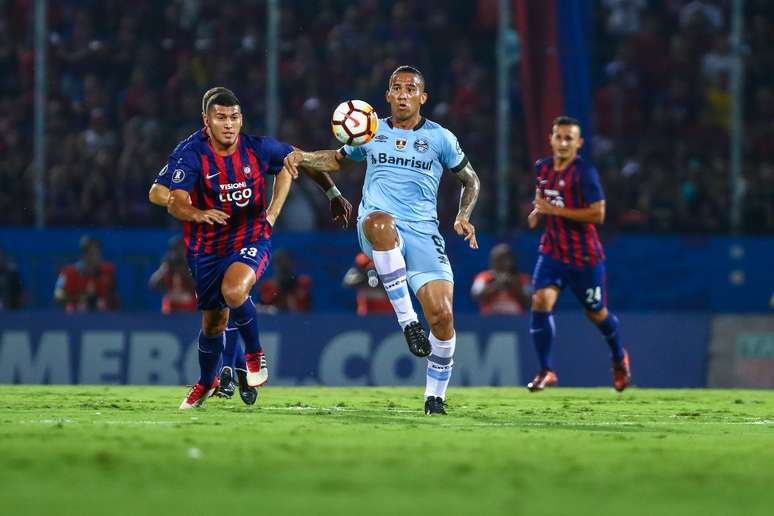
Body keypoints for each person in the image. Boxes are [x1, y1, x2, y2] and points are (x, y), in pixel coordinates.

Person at [283, 65, 481, 416]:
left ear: (423, 97)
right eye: (396, 88)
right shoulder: (370, 131)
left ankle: (434, 397)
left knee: (442, 316)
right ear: (387, 95)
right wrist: (304, 156)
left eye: (411, 89)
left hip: (424, 232)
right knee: (380, 222)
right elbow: (336, 159)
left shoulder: (441, 138)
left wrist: (463, 216)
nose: (403, 94)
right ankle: (408, 323)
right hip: (376, 224)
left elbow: (471, 180)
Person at [159, 88, 352, 409]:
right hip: (207, 248)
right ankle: (207, 381)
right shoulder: (192, 154)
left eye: (234, 117)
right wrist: (197, 213)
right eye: (221, 118)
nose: (229, 124)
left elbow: (300, 159)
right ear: (206, 121)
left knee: (235, 291)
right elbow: (174, 201)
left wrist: (331, 194)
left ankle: (253, 356)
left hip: (251, 237)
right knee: (213, 324)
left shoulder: (258, 148)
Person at [526, 116, 631, 392]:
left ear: (578, 143)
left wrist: (554, 211)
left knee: (596, 313)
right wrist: (537, 214)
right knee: (540, 300)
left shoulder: (585, 173)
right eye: (558, 137)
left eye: (568, 138)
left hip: (584, 257)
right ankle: (546, 370)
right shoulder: (542, 168)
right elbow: (542, 206)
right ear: (550, 139)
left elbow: (599, 214)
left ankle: (619, 357)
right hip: (551, 251)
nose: (562, 143)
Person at [54, 236, 120, 313]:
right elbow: (57, 297)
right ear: (84, 255)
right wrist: (80, 298)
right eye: (93, 253)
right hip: (73, 318)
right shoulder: (65, 273)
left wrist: (110, 300)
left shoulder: (108, 271)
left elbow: (115, 299)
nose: (97, 257)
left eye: (99, 253)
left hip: (102, 319)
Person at [471, 243, 531, 315]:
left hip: (515, 321)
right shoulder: (483, 277)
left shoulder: (523, 279)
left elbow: (529, 300)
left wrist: (513, 285)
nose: (506, 262)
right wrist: (498, 284)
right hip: (489, 321)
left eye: (508, 258)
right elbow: (476, 295)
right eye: (501, 258)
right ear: (493, 260)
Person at [149, 236, 197, 314]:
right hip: (170, 310)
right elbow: (153, 284)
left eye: (181, 250)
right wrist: (164, 270)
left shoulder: (192, 265)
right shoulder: (168, 266)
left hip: (190, 310)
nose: (179, 254)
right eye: (175, 250)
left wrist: (184, 271)